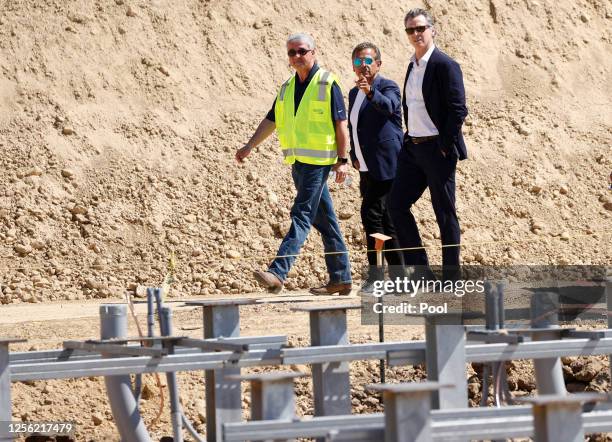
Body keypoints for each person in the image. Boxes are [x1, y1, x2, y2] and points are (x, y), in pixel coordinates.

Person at [235, 33, 352, 296]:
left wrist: (343, 160)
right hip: (298, 162)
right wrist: (250, 145)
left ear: (313, 52)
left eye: (301, 51)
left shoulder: (327, 83)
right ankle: (341, 278)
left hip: (319, 162)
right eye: (291, 53)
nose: (296, 57)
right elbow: (271, 120)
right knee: (326, 221)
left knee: (301, 214)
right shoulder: (287, 88)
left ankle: (278, 272)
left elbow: (341, 126)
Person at [387, 8, 468, 281]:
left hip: (437, 149)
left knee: (444, 212)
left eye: (420, 28)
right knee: (396, 205)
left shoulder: (445, 65)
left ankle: (451, 277)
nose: (416, 34)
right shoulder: (412, 65)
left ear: (432, 30)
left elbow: (458, 109)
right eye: (410, 30)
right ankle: (422, 271)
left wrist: (445, 145)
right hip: (413, 148)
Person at [347, 42, 404, 292]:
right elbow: (354, 126)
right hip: (366, 166)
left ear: (378, 64)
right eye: (359, 62)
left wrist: (370, 92)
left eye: (368, 61)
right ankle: (402, 278)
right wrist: (352, 153)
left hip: (387, 164)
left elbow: (389, 107)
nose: (364, 66)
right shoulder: (352, 93)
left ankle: (376, 277)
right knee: (387, 221)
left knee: (371, 216)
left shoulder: (387, 86)